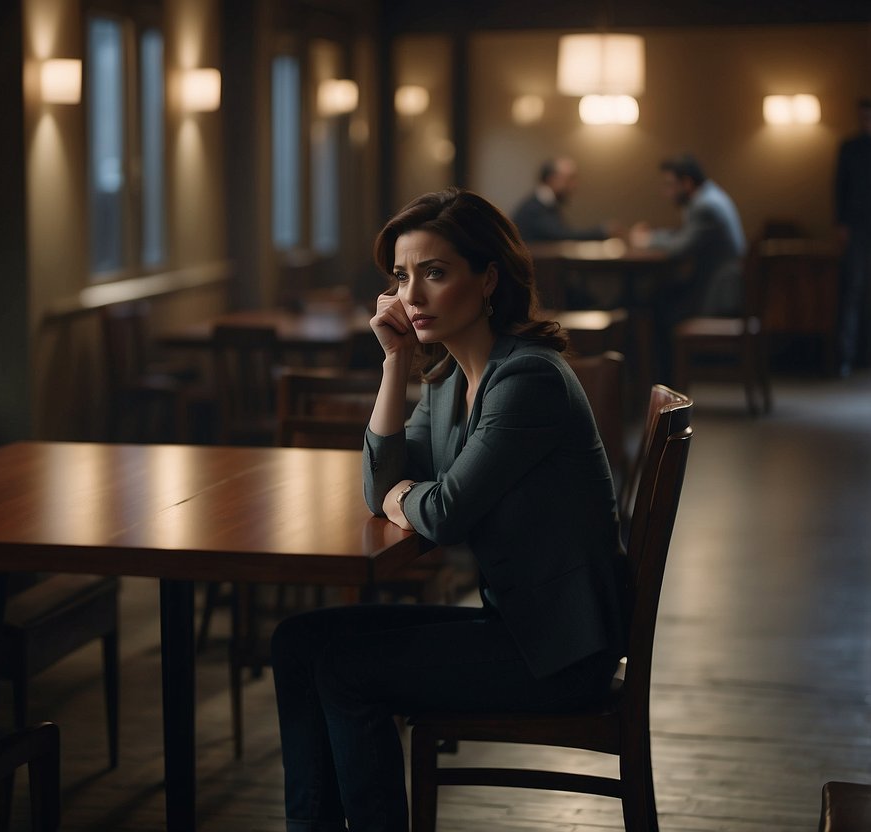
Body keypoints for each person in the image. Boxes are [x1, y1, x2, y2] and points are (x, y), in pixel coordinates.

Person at [271, 188, 625, 832]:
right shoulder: (450, 379)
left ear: (489, 279)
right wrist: (396, 360)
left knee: (348, 673)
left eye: (435, 274)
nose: (413, 297)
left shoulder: (528, 380)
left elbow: (442, 515)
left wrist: (406, 497)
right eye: (402, 278)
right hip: (520, 628)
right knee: (297, 643)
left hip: (559, 654)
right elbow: (378, 481)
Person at [629, 152, 746, 381]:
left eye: (670, 185)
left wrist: (646, 240)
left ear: (687, 183)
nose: (667, 193)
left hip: (719, 296)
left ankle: (661, 383)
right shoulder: (709, 198)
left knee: (653, 304)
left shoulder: (706, 206)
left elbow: (678, 248)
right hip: (713, 286)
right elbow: (683, 236)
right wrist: (652, 236)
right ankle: (658, 383)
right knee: (656, 297)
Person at [834, 97, 871, 378]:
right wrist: (841, 224)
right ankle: (846, 357)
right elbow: (840, 188)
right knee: (853, 292)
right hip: (857, 225)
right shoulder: (850, 148)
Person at [511, 156, 616, 243]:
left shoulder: (544, 203)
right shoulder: (535, 208)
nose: (575, 185)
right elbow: (562, 236)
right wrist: (601, 232)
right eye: (570, 179)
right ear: (552, 179)